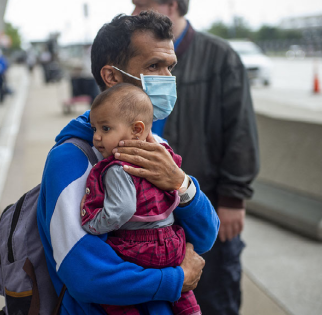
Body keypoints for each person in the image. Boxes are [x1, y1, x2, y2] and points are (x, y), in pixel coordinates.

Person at [37, 11, 219, 315]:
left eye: (170, 67)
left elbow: (205, 236)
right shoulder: (70, 159)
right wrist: (176, 279)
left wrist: (181, 184)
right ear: (112, 76)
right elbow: (86, 275)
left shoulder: (157, 146)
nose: (167, 79)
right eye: (153, 66)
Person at [131, 1, 260, 315]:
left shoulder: (219, 57)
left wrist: (233, 199)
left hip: (207, 205)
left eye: (144, 5)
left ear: (171, 5)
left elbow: (241, 131)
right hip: (151, 215)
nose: (135, 13)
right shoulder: (133, 55)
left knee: (215, 296)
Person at [81, 83, 201, 315]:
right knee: (183, 294)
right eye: (94, 128)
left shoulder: (116, 167)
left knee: (112, 291)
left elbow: (122, 210)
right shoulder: (162, 155)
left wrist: (94, 225)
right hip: (173, 241)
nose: (96, 138)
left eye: (105, 129)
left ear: (137, 129)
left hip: (138, 244)